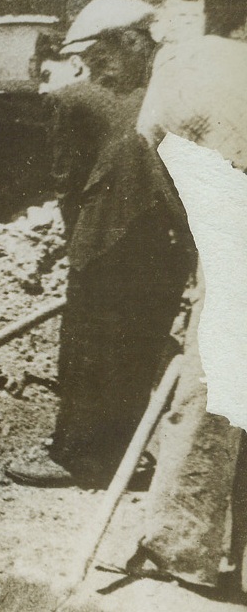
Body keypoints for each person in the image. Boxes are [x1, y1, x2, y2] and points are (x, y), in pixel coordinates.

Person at [7, 0, 196, 488]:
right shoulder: (173, 95)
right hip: (168, 248)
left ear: (133, 45)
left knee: (86, 349)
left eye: (103, 55)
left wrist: (79, 246)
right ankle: (121, 455)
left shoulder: (74, 101)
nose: (94, 67)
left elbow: (66, 181)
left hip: (107, 242)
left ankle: (78, 459)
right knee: (135, 349)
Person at [119, 33, 247, 594]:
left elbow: (163, 172)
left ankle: (179, 545)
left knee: (208, 397)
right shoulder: (225, 61)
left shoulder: (176, 75)